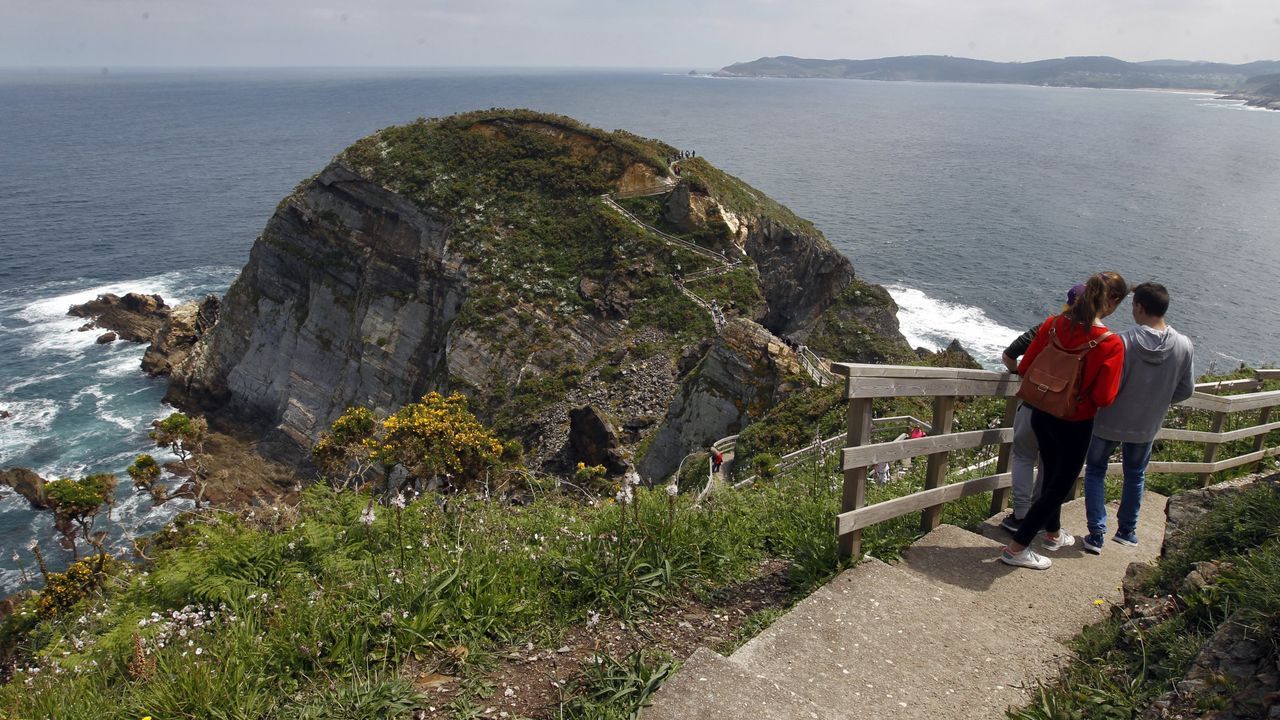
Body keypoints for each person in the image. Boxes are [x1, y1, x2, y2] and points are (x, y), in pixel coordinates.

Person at [1000, 271, 1128, 570]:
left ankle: (1053, 534)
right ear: (1113, 301)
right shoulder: (1110, 343)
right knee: (1058, 484)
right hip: (1075, 420)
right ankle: (1017, 548)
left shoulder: (1053, 325)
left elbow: (1027, 365)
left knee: (1051, 474)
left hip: (1041, 412)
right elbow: (1105, 397)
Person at [1081, 282, 1194, 554]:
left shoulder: (1121, 341)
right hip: (1146, 425)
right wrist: (1158, 402)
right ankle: (1127, 531)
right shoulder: (1184, 345)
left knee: (1096, 471)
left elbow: (1104, 383)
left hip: (1109, 420)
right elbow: (1185, 390)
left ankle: (1096, 534)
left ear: (1139, 307)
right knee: (1135, 475)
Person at [997, 283, 1085, 533]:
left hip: (1033, 403)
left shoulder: (1050, 325)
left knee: (1023, 457)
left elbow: (1009, 356)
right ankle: (1042, 516)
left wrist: (1019, 375)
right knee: (1051, 464)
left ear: (1068, 302)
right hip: (1066, 413)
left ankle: (1021, 515)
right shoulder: (1098, 337)